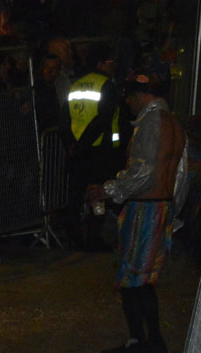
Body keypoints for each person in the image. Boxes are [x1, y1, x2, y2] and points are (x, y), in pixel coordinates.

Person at [88, 71, 187, 353]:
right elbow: (181, 177)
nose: (128, 105)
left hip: (146, 206)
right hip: (162, 205)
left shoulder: (151, 123)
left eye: (129, 98)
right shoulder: (175, 124)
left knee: (133, 278)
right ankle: (151, 341)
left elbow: (143, 173)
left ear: (139, 95)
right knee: (142, 278)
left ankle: (142, 342)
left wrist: (108, 189)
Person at [64, 44, 121, 250]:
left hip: (77, 151)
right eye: (110, 62)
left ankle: (74, 238)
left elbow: (65, 119)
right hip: (99, 151)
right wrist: (83, 144)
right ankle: (94, 238)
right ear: (100, 64)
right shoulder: (106, 85)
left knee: (76, 195)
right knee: (98, 195)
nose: (113, 66)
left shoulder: (76, 85)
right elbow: (102, 120)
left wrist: (73, 145)